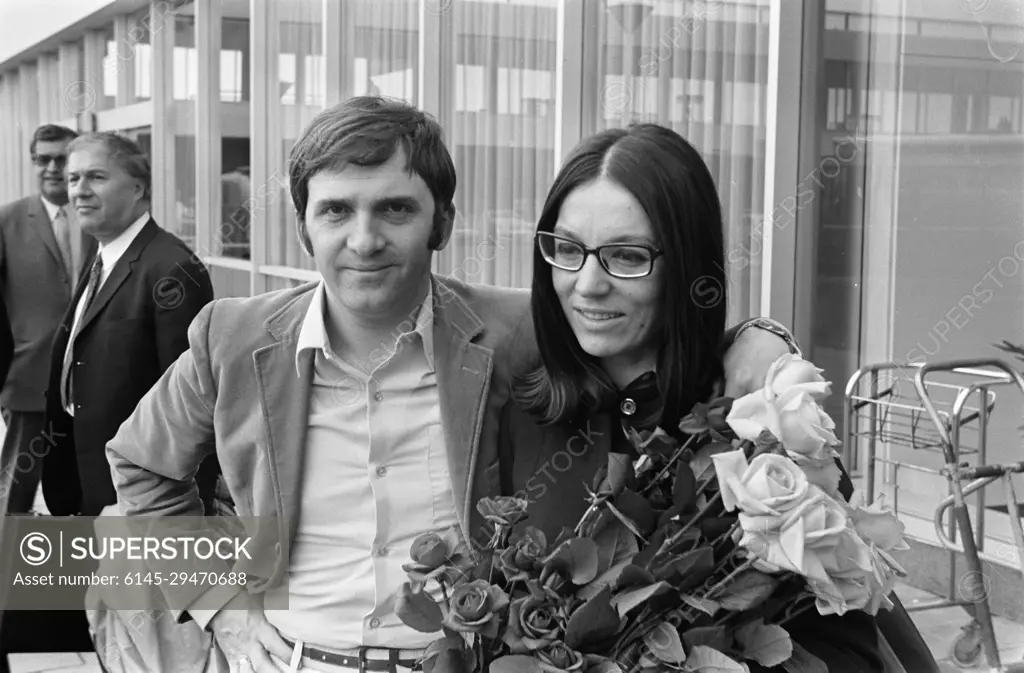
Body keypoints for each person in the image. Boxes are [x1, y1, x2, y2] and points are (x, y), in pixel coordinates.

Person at [103, 96, 796, 673]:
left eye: (395, 210)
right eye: (336, 210)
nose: (364, 239)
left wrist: (761, 340)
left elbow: (647, 326)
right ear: (302, 227)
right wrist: (221, 602)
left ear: (443, 222)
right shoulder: (231, 337)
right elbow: (138, 462)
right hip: (286, 658)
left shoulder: (522, 330)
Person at [498, 123, 935, 673]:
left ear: (686, 267)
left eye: (627, 256)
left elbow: (846, 649)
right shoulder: (518, 406)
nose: (587, 284)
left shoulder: (760, 421)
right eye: (567, 249)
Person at [39, 131, 215, 519]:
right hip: (86, 478)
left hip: (135, 500)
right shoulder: (104, 253)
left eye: (96, 177)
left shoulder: (172, 268)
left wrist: (159, 504)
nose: (79, 191)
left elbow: (190, 404)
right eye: (73, 179)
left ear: (138, 188)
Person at [0, 124, 95, 516]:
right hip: (28, 374)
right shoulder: (7, 220)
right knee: (16, 484)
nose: (53, 168)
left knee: (80, 479)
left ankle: (67, 562)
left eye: (62, 159)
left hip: (91, 376)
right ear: (34, 163)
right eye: (44, 159)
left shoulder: (97, 218)